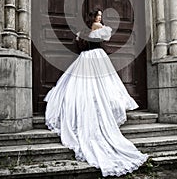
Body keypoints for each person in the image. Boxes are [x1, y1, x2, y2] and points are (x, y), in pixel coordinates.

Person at [44, 9, 148, 177]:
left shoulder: (82, 32)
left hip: (85, 58)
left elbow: (79, 44)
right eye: (98, 15)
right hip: (97, 57)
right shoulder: (99, 26)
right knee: (100, 85)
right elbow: (106, 37)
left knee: (86, 85)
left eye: (101, 16)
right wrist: (101, 26)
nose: (100, 18)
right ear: (93, 18)